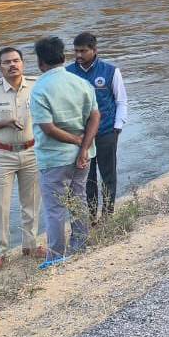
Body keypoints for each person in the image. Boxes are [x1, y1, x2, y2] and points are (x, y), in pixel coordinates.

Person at [0, 47, 45, 272]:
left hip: (32, 151)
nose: (12, 65)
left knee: (31, 202)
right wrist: (2, 123)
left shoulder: (36, 85)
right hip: (2, 154)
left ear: (23, 63)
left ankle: (30, 246)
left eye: (16, 61)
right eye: (7, 62)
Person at [30, 36, 101, 266]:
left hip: (54, 159)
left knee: (55, 210)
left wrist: (74, 141)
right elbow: (95, 116)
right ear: (63, 57)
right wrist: (83, 147)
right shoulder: (81, 82)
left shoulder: (39, 88)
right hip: (83, 157)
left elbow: (47, 128)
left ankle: (56, 257)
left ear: (41, 62)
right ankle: (80, 247)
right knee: (79, 200)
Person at [66, 32, 128, 220]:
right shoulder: (68, 73)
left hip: (106, 132)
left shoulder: (110, 71)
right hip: (79, 136)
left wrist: (117, 127)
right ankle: (91, 216)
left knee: (108, 175)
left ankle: (107, 214)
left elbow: (121, 101)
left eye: (83, 51)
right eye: (76, 51)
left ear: (94, 50)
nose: (78, 55)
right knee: (86, 177)